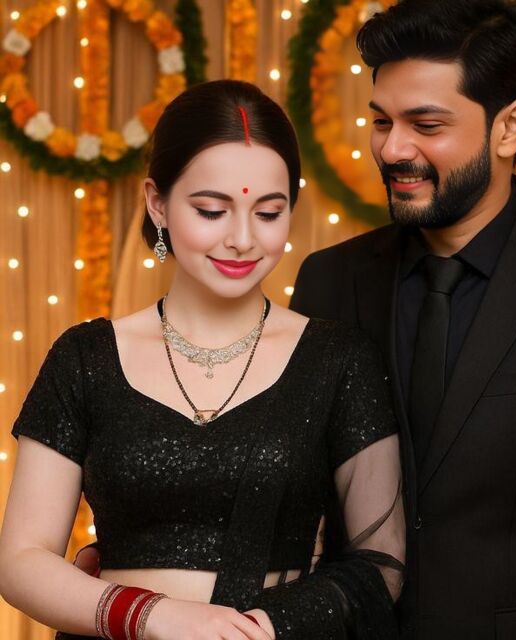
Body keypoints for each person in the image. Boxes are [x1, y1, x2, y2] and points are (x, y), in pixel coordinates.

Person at [0, 80, 405, 640]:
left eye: (269, 213)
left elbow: (381, 565)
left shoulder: (338, 359)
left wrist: (258, 628)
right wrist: (155, 616)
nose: (242, 239)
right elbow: (22, 560)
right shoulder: (85, 359)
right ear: (157, 203)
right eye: (212, 210)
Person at [290, 1, 516, 638]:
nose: (392, 148)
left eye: (426, 124)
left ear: (510, 128)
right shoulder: (328, 281)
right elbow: (292, 500)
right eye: (381, 121)